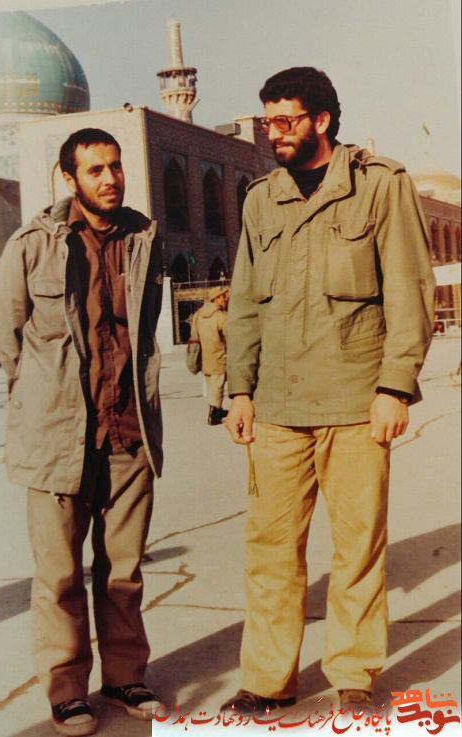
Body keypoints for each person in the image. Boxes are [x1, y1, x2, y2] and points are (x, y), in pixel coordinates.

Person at [222, 67, 435, 715]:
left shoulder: (379, 185)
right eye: (267, 121)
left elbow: (410, 291)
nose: (273, 133)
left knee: (358, 547)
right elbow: (245, 303)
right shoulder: (261, 198)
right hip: (278, 408)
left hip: (355, 403)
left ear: (321, 120)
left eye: (285, 120)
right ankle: (267, 679)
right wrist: (239, 390)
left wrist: (395, 387)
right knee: (270, 550)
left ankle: (353, 673)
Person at [0, 128, 164, 736]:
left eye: (116, 166)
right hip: (58, 439)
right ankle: (67, 690)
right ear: (69, 178)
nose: (110, 179)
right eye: (95, 170)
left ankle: (125, 677)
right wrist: (47, 398)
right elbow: (7, 336)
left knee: (123, 571)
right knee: (59, 575)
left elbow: (144, 332)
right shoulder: (33, 245)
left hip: (128, 433)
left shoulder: (144, 239)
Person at [194, 285, 229, 425]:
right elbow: (229, 335)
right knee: (218, 384)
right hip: (219, 355)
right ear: (216, 298)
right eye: (223, 296)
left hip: (204, 356)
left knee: (211, 384)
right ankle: (213, 414)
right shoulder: (220, 316)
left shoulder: (199, 314)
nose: (226, 299)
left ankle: (218, 409)